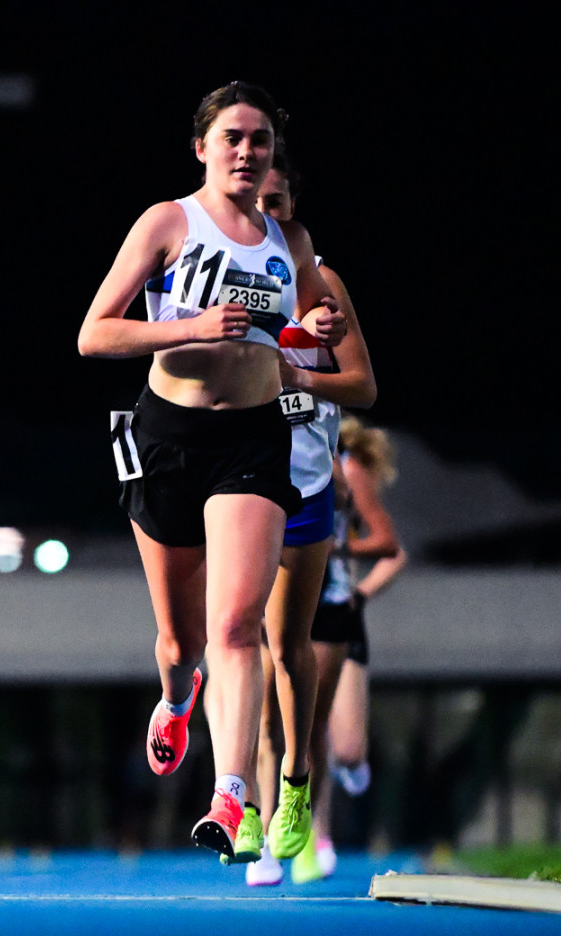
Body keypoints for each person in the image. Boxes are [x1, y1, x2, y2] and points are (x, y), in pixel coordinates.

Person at [78, 82, 344, 864]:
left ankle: (231, 795)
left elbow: (303, 336)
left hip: (252, 442)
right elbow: (94, 334)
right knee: (180, 641)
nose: (246, 152)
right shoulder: (168, 222)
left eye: (260, 139)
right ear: (202, 147)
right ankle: (175, 697)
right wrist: (190, 327)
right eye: (232, 137)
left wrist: (316, 327)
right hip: (167, 436)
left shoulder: (289, 240)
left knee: (235, 626)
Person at [212, 155, 378, 881]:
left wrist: (300, 372)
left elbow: (364, 387)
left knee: (287, 648)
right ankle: (241, 802)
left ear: (293, 209)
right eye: (255, 202)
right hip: (234, 479)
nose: (265, 214)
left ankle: (297, 781)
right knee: (234, 638)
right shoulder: (219, 271)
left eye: (277, 203)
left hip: (305, 484)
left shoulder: (320, 281)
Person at [267, 415, 404, 883]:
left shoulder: (346, 467)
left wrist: (338, 558)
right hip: (286, 603)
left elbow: (389, 545)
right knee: (293, 728)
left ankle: (346, 770)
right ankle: (307, 835)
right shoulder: (269, 452)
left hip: (335, 606)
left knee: (339, 743)